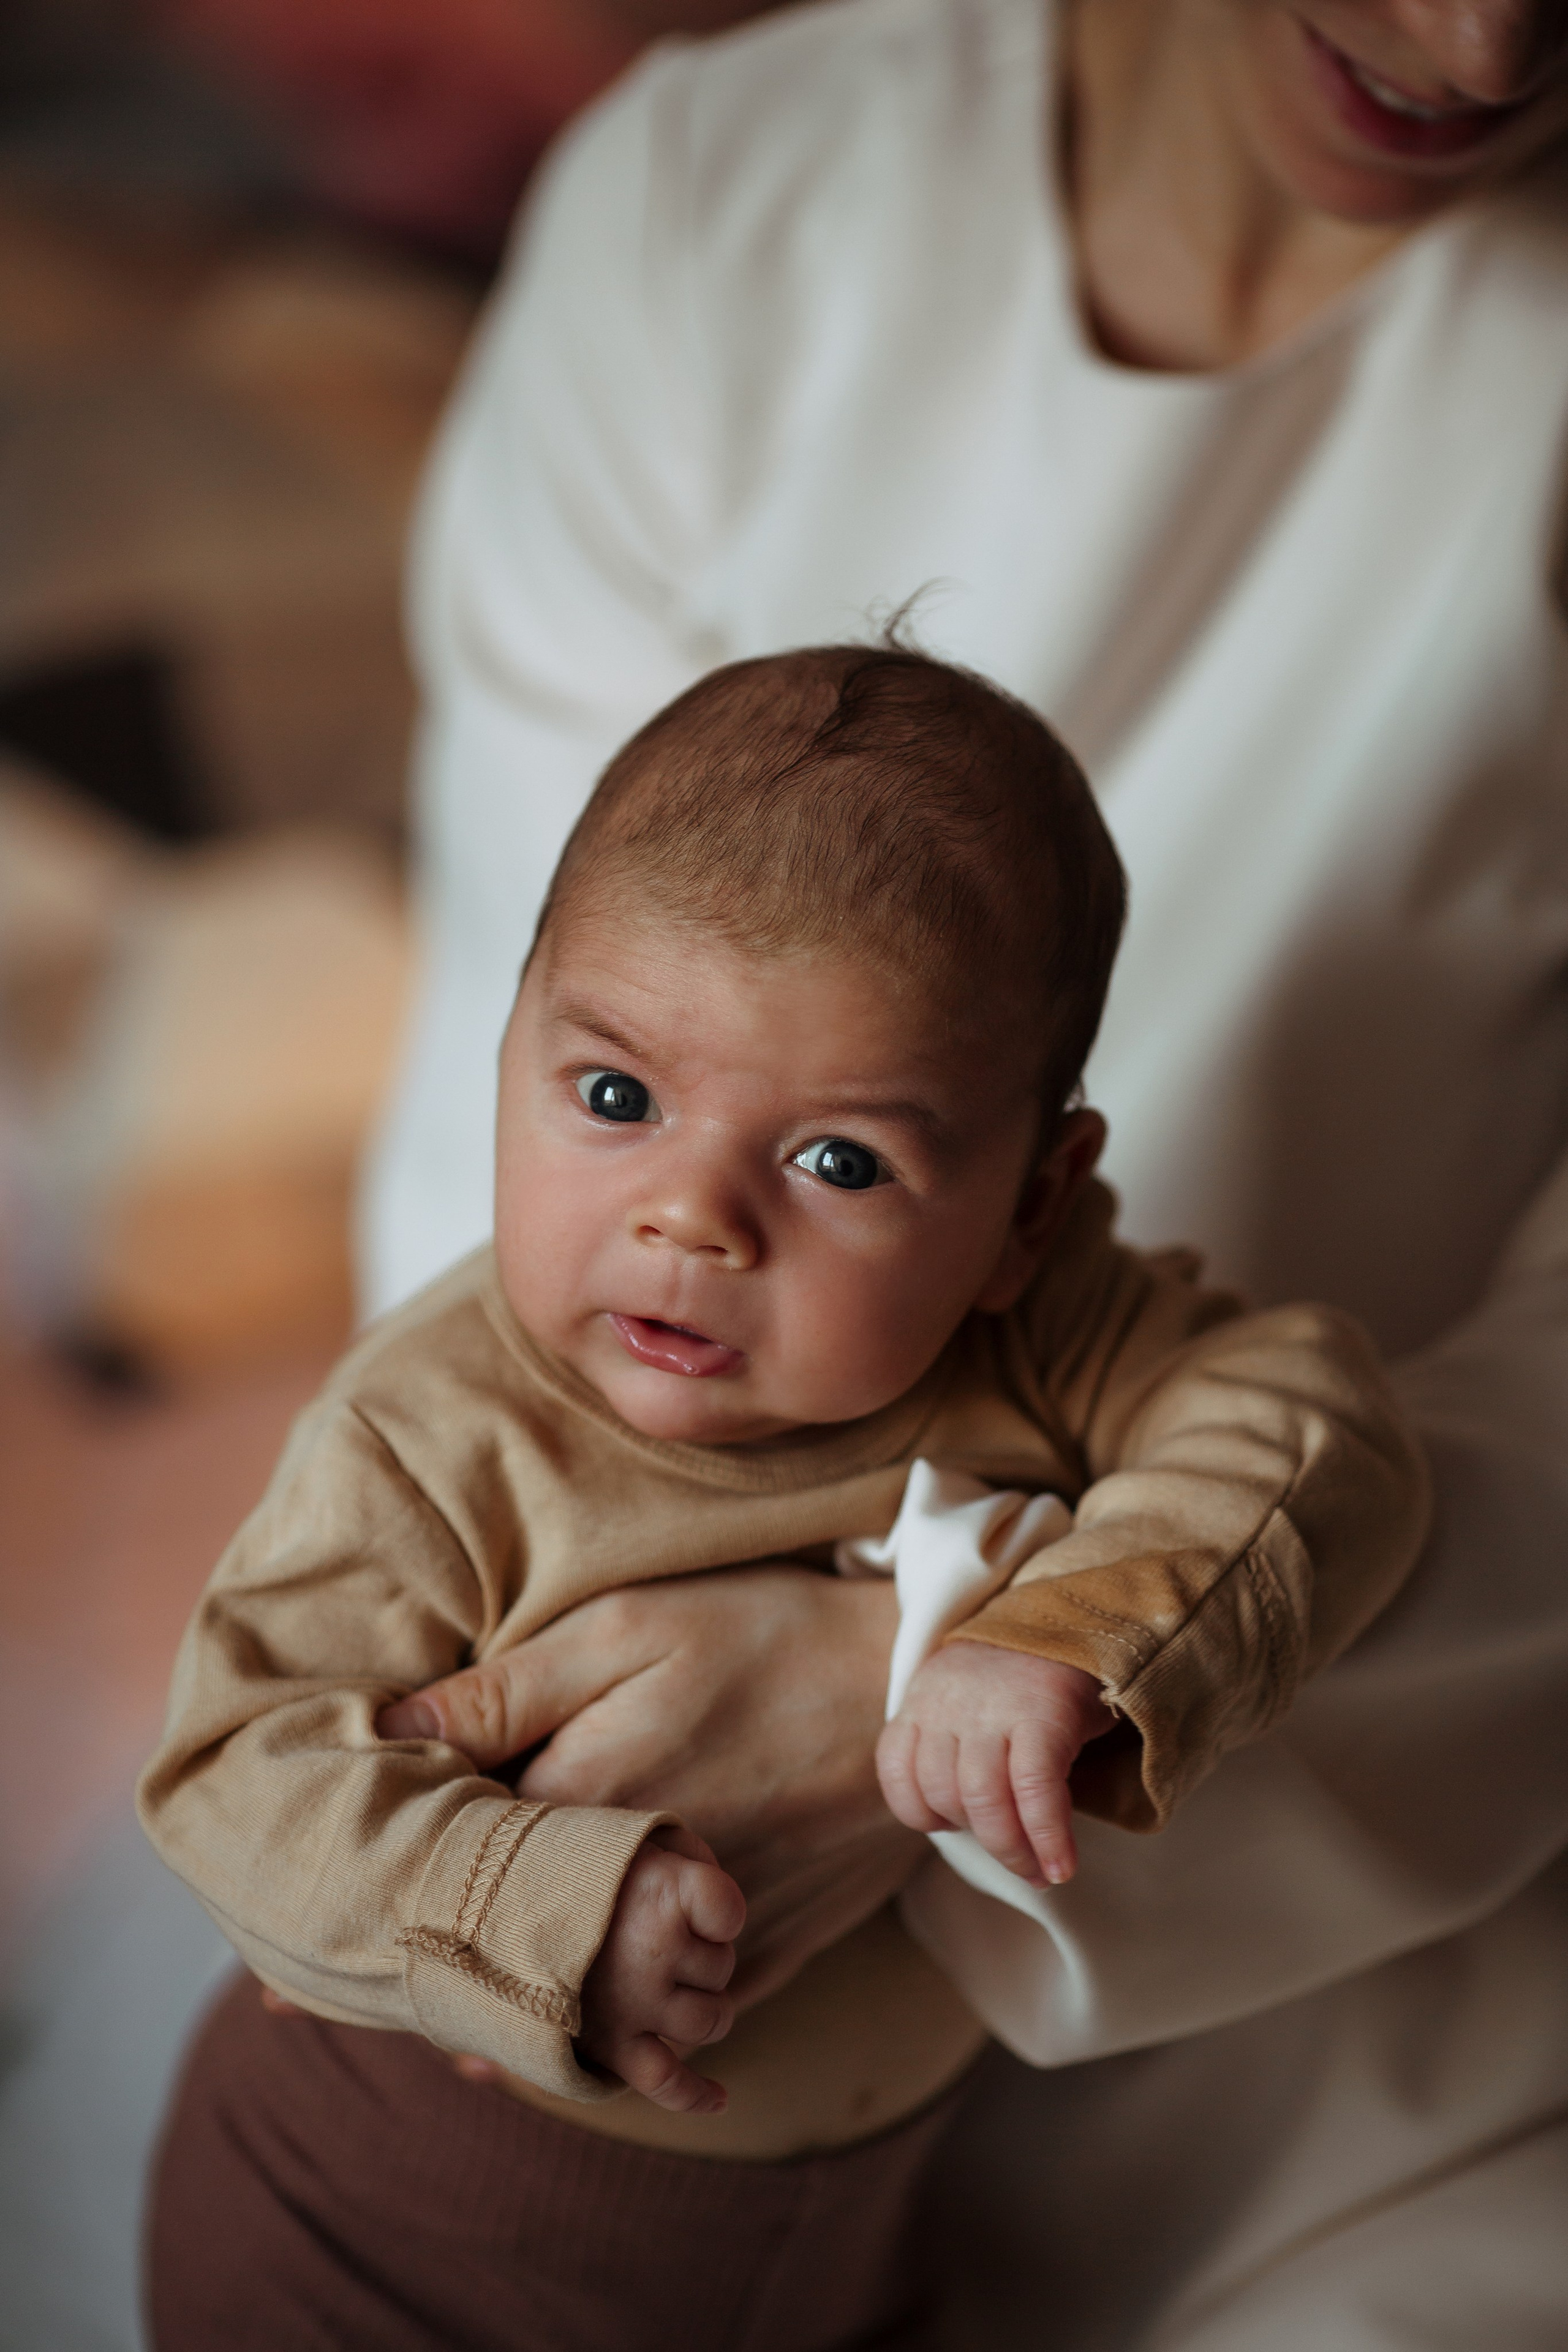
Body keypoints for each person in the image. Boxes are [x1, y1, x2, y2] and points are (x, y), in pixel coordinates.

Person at [340, 0, 1568, 2342]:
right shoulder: (726, 211)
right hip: (599, 1821)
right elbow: (497, 1210)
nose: (1484, 39)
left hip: (1380, 2013)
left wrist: (930, 1684)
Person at [138, 644, 1427, 2349]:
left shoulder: (1050, 1328)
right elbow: (242, 1777)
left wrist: (1064, 1634)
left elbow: (1317, 1435)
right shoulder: (435, 1435)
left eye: (837, 1162)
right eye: (615, 1099)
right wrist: (544, 1904)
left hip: (845, 2239)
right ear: (506, 1047)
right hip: (386, 2221)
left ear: (1030, 1208)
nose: (695, 1220)